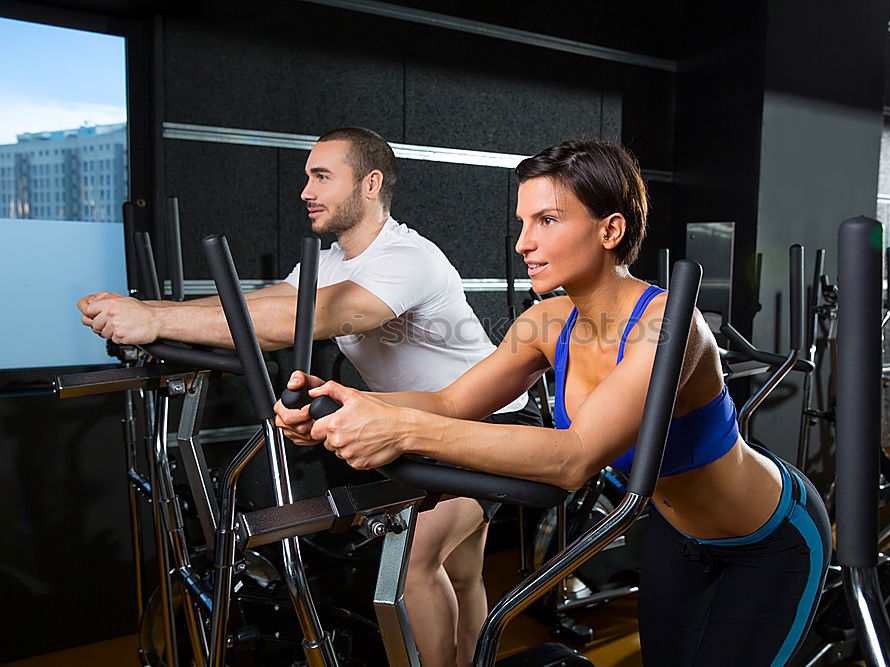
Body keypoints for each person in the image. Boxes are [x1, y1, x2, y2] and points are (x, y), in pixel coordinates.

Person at [276, 139, 833, 666]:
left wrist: (398, 431)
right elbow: (450, 401)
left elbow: (575, 456)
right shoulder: (546, 321)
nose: (523, 243)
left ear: (611, 228)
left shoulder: (668, 326)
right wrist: (346, 403)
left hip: (769, 540)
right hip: (677, 534)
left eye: (547, 221)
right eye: (523, 223)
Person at [77, 127, 541, 667]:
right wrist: (151, 312)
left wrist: (154, 319)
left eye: (322, 176)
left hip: (492, 421)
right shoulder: (330, 261)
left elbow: (308, 319)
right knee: (459, 572)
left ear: (370, 184)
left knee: (413, 564)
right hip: (424, 425)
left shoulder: (409, 257)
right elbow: (261, 303)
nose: (305, 190)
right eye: (306, 176)